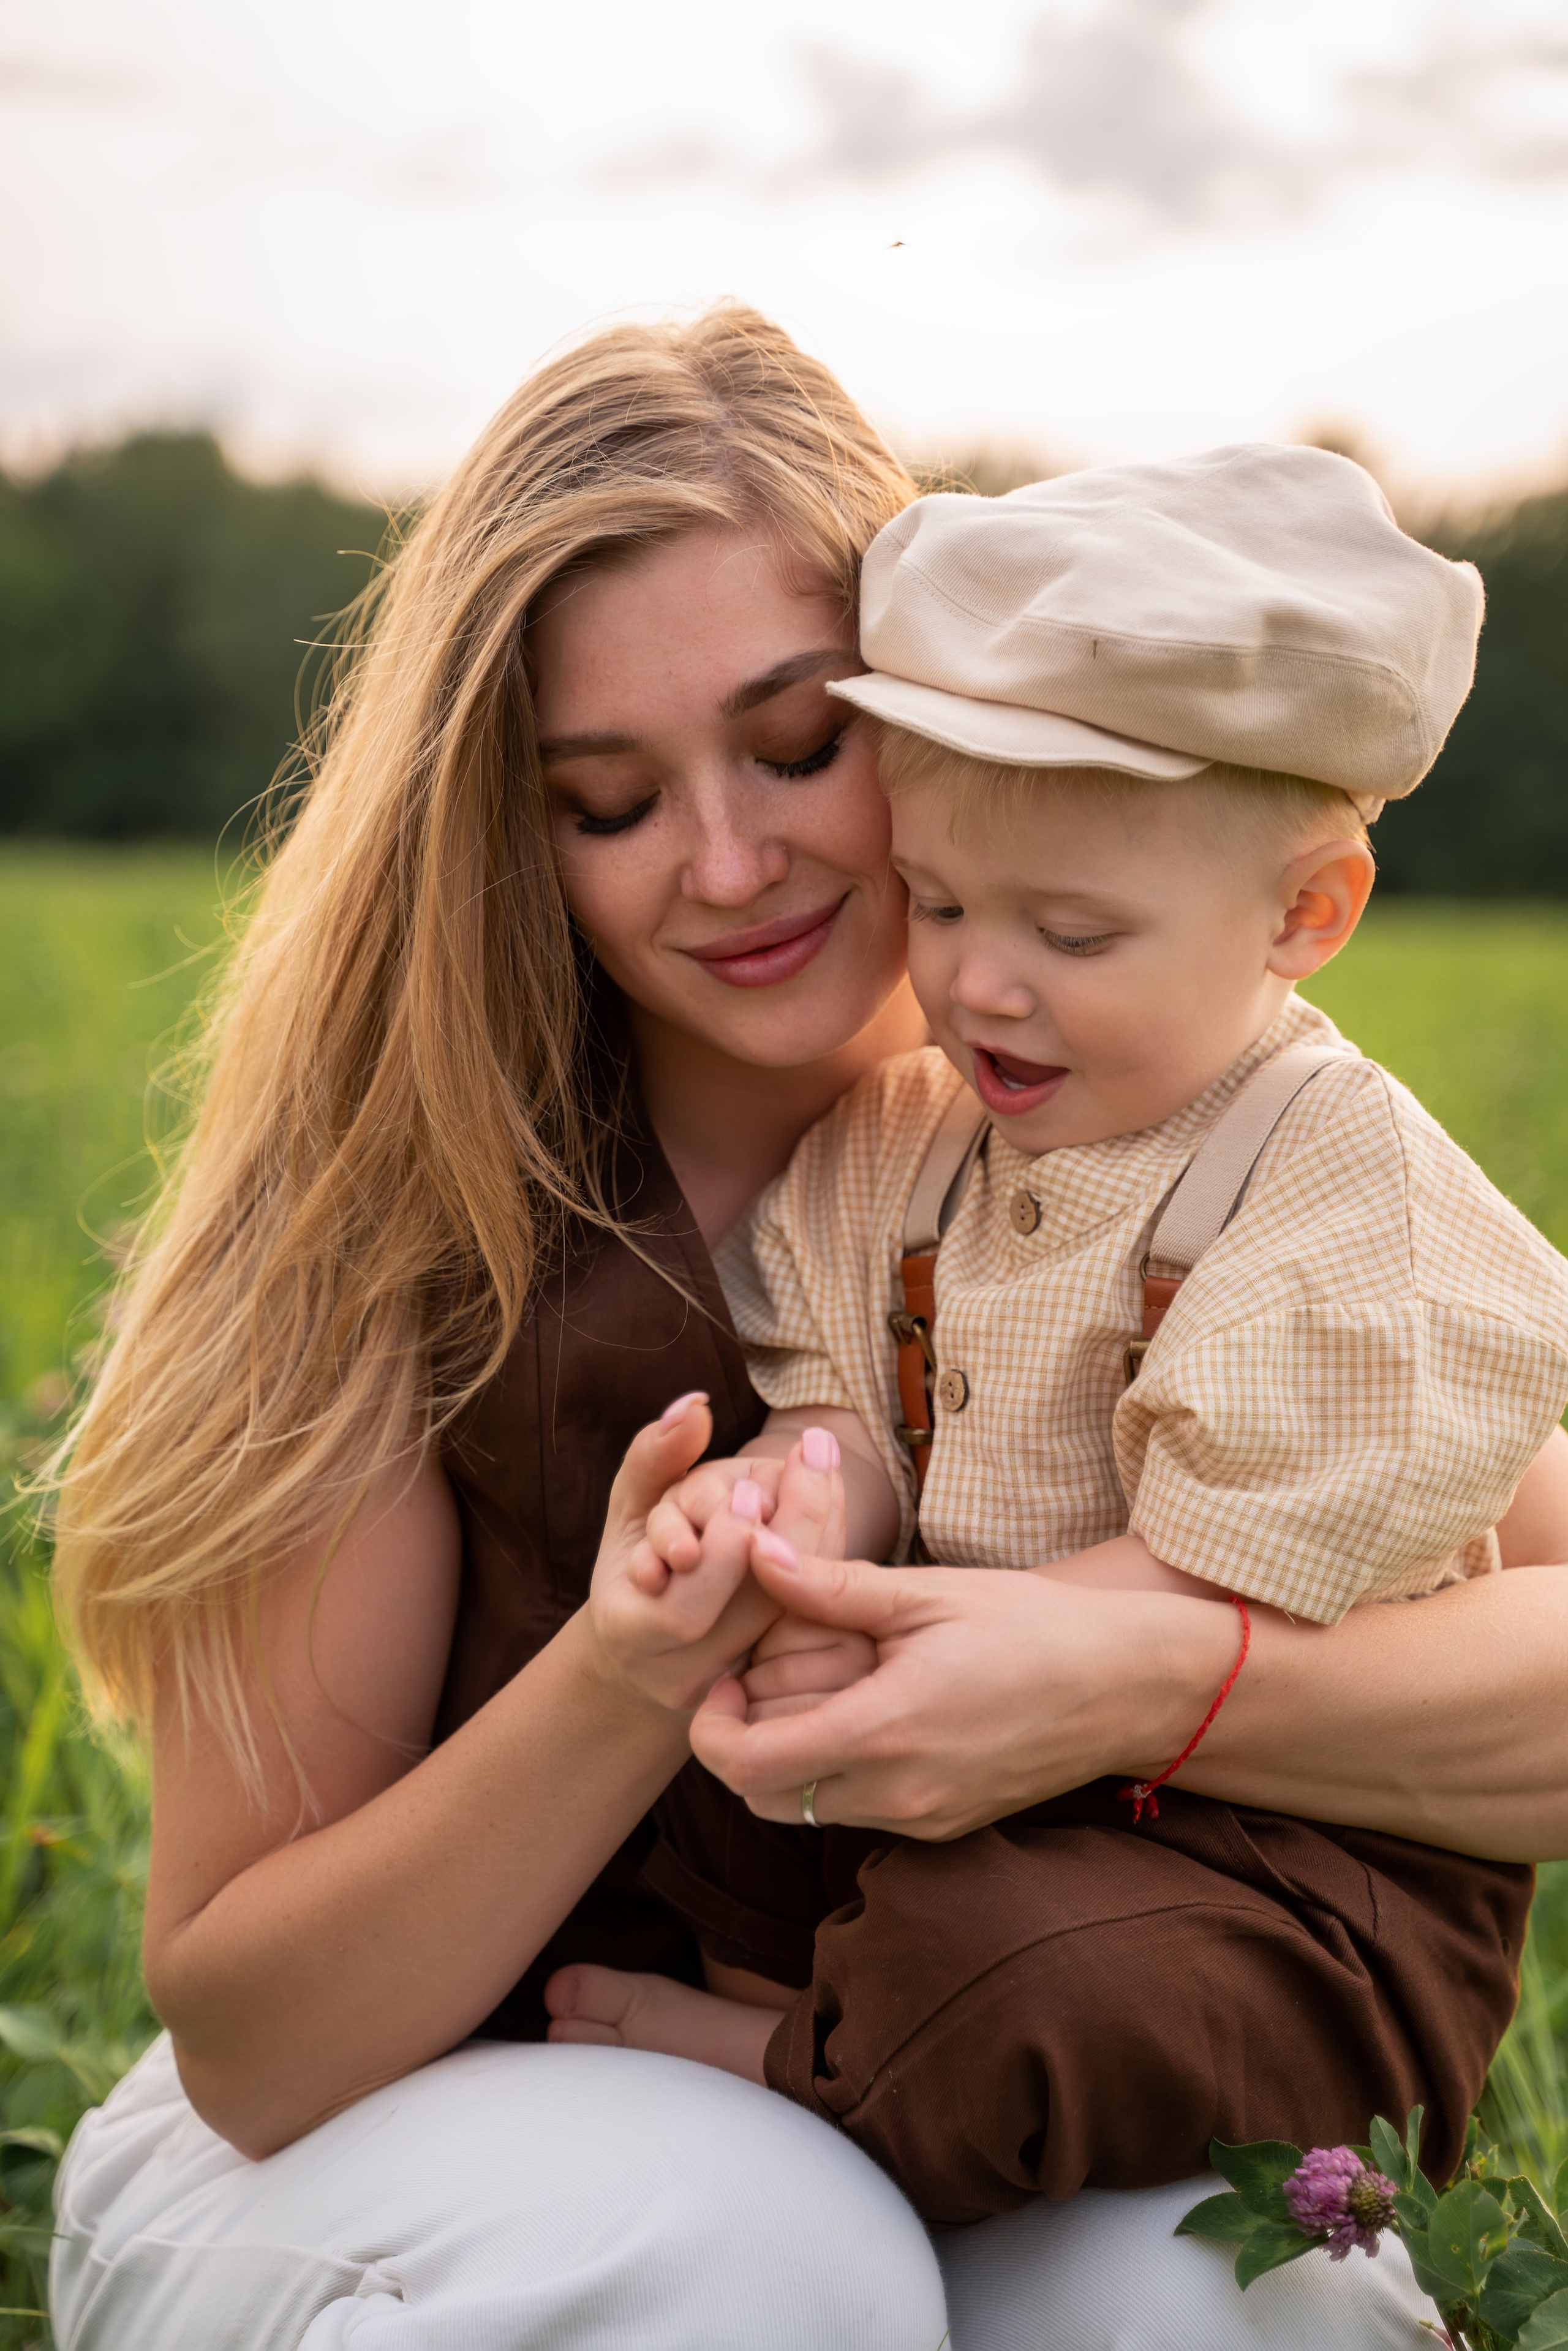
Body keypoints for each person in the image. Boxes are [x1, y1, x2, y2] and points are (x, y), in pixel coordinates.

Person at [42, 307, 1568, 2351]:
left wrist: (1132, 1676)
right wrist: (634, 1672)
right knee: (766, 2249)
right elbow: (254, 2042)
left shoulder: (1163, 1130)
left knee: (1235, 2295)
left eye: (794, 747)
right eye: (608, 801)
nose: (731, 863)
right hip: (371, 2137)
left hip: (939, 2059)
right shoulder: (397, 1229)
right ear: (508, 832)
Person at [557, 447, 1568, 2228]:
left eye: (1075, 933)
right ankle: (805, 2038)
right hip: (1009, 1761)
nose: (979, 985)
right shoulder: (916, 1135)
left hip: (1273, 1851)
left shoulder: (1339, 1192)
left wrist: (914, 1644)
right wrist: (801, 1512)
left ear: (1305, 915)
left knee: (1026, 1978)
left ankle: (792, 2072)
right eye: (942, 903)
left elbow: (1224, 1578)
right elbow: (852, 1398)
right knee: (733, 1754)